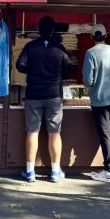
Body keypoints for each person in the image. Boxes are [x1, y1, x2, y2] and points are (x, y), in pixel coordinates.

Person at [16, 15, 72, 183]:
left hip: (33, 94)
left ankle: (30, 171)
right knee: (55, 133)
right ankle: (55, 172)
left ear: (38, 30)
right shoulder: (60, 48)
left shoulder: (31, 46)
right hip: (54, 95)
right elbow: (68, 69)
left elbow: (19, 65)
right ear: (53, 30)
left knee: (32, 132)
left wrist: (32, 71)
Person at [83, 24, 110, 183]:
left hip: (99, 98)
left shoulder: (90, 53)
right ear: (105, 36)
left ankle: (108, 170)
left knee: (105, 134)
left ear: (91, 37)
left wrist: (93, 82)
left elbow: (87, 81)